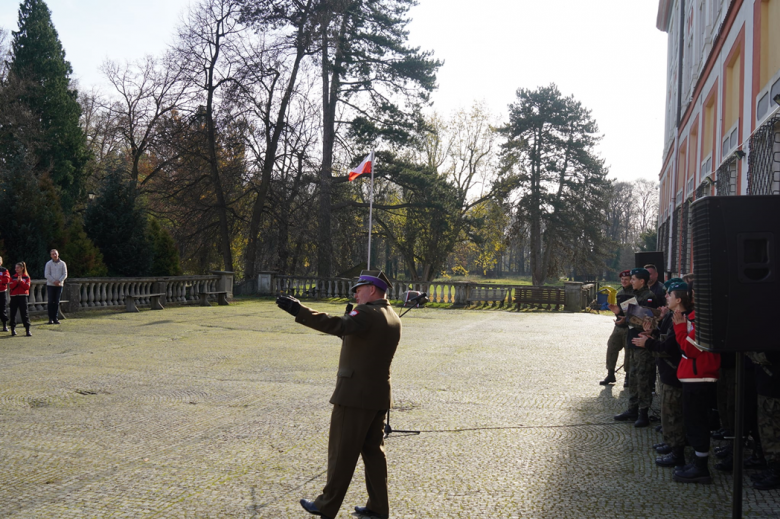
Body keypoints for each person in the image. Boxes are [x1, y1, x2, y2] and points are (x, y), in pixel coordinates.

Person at [276, 270, 401, 519]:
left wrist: (299, 310)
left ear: (373, 290)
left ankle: (326, 505)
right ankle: (378, 508)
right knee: (375, 455)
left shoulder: (366, 313)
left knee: (341, 454)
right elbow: (359, 339)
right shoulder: (392, 315)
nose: (355, 293)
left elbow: (337, 325)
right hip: (377, 396)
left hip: (354, 396)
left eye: (359, 288)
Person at [632, 280, 688, 467]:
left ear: (678, 298)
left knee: (673, 414)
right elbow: (664, 340)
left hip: (674, 372)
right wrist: (652, 335)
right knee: (668, 412)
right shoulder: (673, 317)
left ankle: (677, 452)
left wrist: (647, 343)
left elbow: (670, 347)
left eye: (669, 294)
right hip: (667, 371)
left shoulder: (681, 319)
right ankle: (671, 443)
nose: (665, 297)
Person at [671, 282, 721, 484]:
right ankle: (697, 462)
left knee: (697, 423)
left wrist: (680, 328)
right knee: (693, 422)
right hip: (694, 376)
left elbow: (689, 350)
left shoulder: (704, 319)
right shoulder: (696, 317)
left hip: (700, 377)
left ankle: (701, 468)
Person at [614, 268, 661, 427]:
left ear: (642, 281)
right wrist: (622, 318)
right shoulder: (636, 295)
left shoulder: (649, 297)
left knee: (643, 378)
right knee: (632, 376)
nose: (631, 281)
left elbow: (648, 322)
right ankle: (632, 409)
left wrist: (629, 318)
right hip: (632, 340)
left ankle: (643, 412)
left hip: (642, 343)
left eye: (633, 279)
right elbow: (633, 318)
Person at [601, 270, 633, 385]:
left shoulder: (635, 293)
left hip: (630, 327)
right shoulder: (619, 294)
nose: (624, 281)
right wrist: (617, 312)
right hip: (619, 326)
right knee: (611, 346)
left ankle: (628, 376)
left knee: (629, 351)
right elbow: (619, 310)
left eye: (626, 280)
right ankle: (610, 373)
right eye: (622, 280)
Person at [44, 249, 67, 325]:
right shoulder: (48, 264)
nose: (54, 255)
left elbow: (65, 274)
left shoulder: (63, 263)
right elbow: (47, 274)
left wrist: (59, 281)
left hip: (59, 285)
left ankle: (55, 318)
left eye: (55, 253)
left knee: (57, 302)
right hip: (51, 285)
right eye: (53, 254)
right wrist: (54, 281)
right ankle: (50, 318)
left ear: (58, 254)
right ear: (51, 255)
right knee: (50, 301)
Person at [9, 261, 32, 337]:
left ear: (22, 268)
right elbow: (11, 287)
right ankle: (13, 329)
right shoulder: (13, 277)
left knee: (24, 313)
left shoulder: (26, 277)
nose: (16, 269)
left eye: (18, 268)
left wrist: (21, 281)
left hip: (23, 296)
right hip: (14, 296)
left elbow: (27, 287)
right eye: (15, 268)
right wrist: (16, 282)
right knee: (13, 313)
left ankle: (27, 329)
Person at [0, 256, 10, 332]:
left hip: (2, 292)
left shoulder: (4, 270)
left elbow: (6, 279)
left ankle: (4, 325)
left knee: (3, 309)